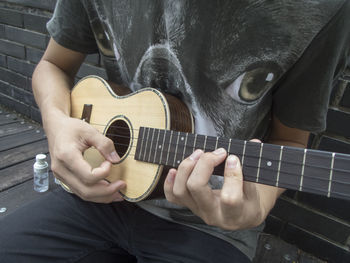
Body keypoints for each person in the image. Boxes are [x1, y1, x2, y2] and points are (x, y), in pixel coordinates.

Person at [1, 0, 349, 262]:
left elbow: (289, 141)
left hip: (208, 225)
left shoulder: (322, 8)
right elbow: (52, 65)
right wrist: (57, 124)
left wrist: (258, 204)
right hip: (96, 188)